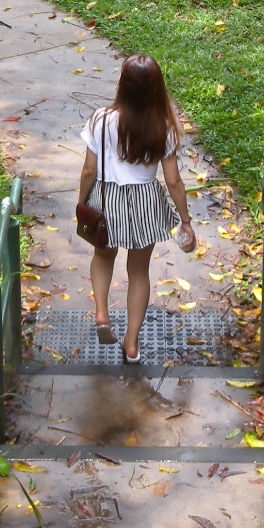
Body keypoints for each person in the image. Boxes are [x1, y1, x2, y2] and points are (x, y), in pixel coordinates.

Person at [77, 53, 195, 366]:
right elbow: (173, 181)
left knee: (103, 256)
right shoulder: (164, 127)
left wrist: (83, 201)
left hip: (106, 198)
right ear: (157, 88)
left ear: (123, 85)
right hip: (145, 201)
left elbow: (89, 170)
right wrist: (185, 221)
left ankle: (102, 313)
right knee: (138, 270)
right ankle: (131, 343)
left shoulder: (101, 119)